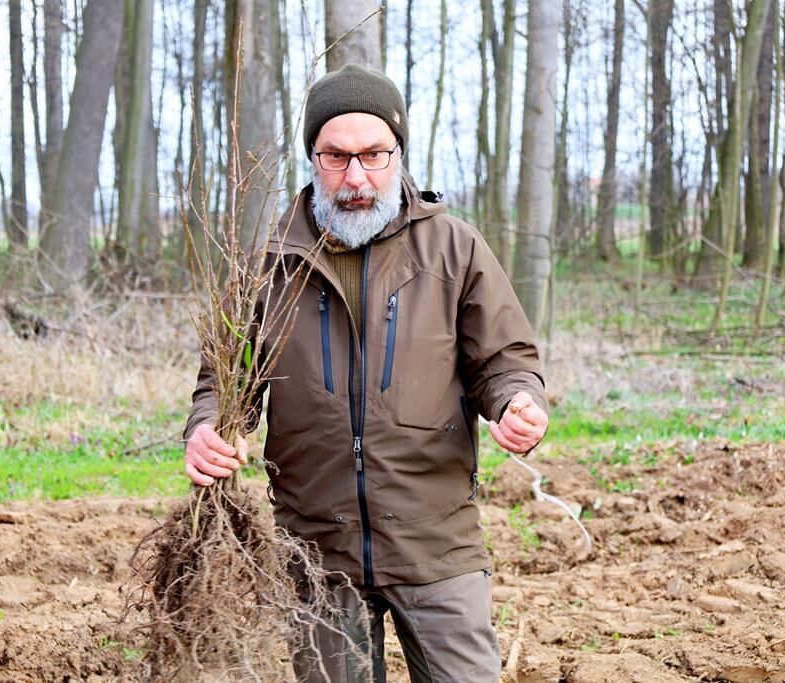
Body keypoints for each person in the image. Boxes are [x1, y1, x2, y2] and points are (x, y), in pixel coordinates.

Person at [183, 64, 549, 683]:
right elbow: (225, 383)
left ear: (398, 153)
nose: (356, 177)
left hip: (436, 545)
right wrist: (206, 429)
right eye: (336, 157)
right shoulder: (266, 265)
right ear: (312, 158)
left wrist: (518, 402)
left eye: (374, 155)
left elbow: (503, 361)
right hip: (316, 551)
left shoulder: (455, 250)